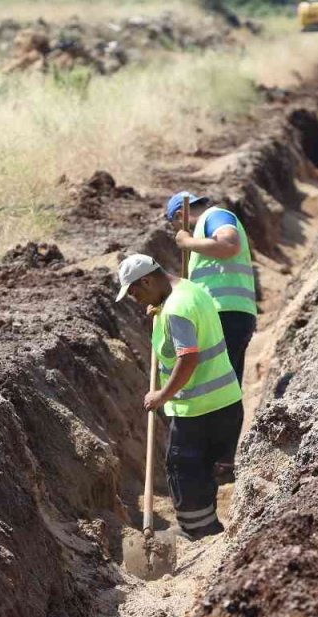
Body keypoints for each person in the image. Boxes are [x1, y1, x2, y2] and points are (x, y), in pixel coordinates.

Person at [116, 254, 243, 540]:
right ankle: (209, 527)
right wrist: (158, 308)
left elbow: (187, 358)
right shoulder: (190, 290)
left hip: (197, 409)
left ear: (147, 280)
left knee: (182, 468)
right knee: (204, 469)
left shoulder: (176, 310)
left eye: (135, 291)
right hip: (225, 401)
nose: (135, 299)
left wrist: (162, 395)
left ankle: (198, 532)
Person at [165, 192, 257, 388]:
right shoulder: (204, 235)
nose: (178, 231)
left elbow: (229, 244)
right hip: (229, 313)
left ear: (181, 215)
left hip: (224, 313)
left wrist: (187, 242)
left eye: (174, 223)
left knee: (216, 388)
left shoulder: (215, 216)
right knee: (227, 387)